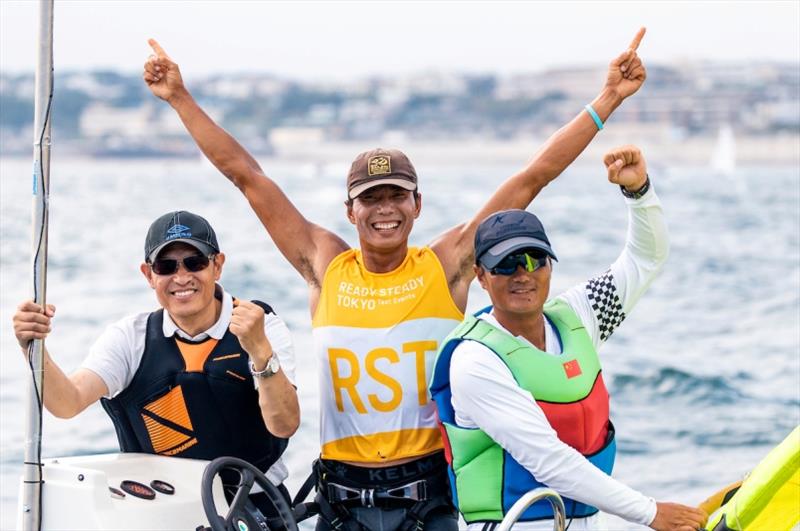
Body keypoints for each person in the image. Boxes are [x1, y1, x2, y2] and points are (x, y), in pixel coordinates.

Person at [142, 29, 648, 531]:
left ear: (417, 204)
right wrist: (180, 98)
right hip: (341, 499)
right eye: (370, 198)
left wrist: (608, 99)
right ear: (350, 210)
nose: (384, 209)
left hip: (429, 499)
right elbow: (246, 176)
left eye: (396, 196)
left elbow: (533, 176)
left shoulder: (447, 265)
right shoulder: (324, 264)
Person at [429, 146, 709, 530]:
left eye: (534, 260)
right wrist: (652, 512)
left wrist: (639, 193)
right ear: (480, 276)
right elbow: (548, 460)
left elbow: (645, 260)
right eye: (506, 264)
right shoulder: (475, 360)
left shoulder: (577, 316)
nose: (522, 274)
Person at [12, 210, 300, 513]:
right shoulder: (130, 338)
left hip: (253, 503)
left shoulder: (261, 325)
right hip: (165, 507)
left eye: (195, 262)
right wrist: (32, 347)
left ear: (217, 265)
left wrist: (259, 350)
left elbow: (284, 425)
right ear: (149, 275)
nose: (181, 277)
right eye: (166, 266)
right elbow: (67, 402)